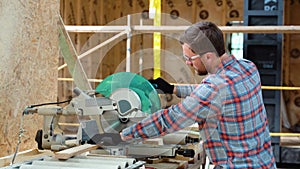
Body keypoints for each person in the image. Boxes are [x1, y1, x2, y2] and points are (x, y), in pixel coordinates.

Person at [120, 21, 277, 168]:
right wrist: (173, 89)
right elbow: (213, 93)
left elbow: (168, 120)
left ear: (208, 55)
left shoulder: (213, 89)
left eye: (189, 58)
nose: (187, 63)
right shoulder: (247, 67)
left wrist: (124, 135)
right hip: (265, 162)